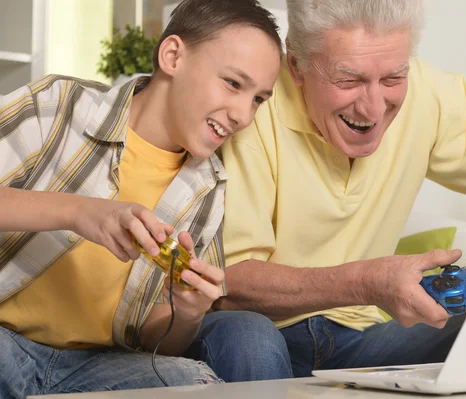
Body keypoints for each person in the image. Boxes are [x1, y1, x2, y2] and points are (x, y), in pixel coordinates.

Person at [190, 0, 466, 382]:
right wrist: (367, 282)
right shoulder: (250, 106)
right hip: (260, 330)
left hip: (363, 338)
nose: (373, 108)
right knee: (247, 335)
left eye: (393, 78)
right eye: (348, 80)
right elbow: (228, 283)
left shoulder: (432, 94)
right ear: (297, 66)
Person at [0, 0, 282, 396]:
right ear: (172, 56)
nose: (243, 115)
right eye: (234, 83)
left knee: (195, 383)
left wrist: (186, 314)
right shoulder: (61, 105)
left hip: (98, 365)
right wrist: (78, 211)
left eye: (258, 99)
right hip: (5, 341)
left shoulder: (208, 189)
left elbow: (157, 344)